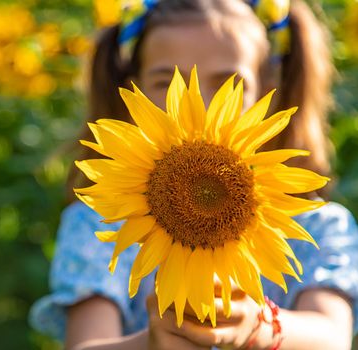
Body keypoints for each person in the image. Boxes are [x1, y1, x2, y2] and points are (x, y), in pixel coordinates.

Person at [29, 0, 358, 349]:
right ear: (131, 90)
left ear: (268, 90)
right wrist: (152, 343)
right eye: (167, 83)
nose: (196, 102)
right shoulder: (99, 223)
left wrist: (258, 326)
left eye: (228, 84)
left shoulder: (316, 226)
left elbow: (332, 336)